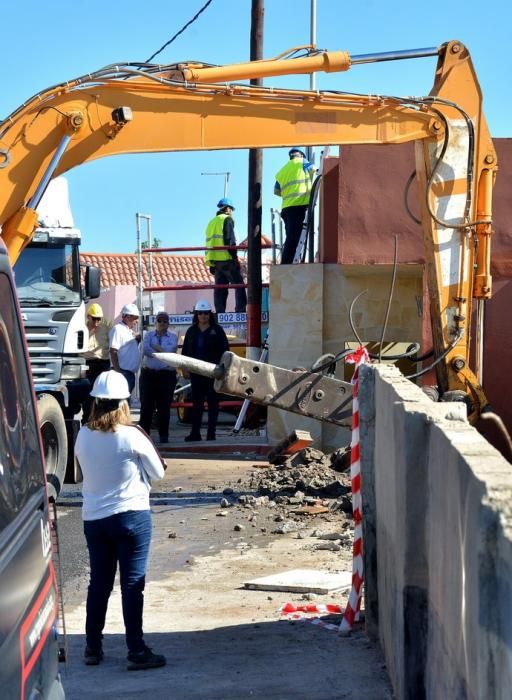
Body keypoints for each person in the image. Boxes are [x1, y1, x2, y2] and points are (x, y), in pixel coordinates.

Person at [75, 370, 166, 670]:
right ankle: (136, 650)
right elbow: (158, 473)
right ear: (123, 403)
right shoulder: (132, 436)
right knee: (131, 585)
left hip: (95, 519)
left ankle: (92, 647)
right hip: (131, 517)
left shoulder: (83, 435)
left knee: (98, 584)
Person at [181, 299, 229, 442]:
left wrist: (224, 371)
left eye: (206, 313)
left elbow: (226, 351)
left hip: (213, 373)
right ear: (196, 314)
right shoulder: (191, 331)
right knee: (197, 405)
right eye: (200, 313)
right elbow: (185, 352)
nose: (203, 315)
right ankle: (195, 433)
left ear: (210, 314)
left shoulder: (218, 330)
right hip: (196, 374)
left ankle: (211, 434)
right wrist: (185, 369)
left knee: (213, 405)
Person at [139, 311, 178, 444]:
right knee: (146, 407)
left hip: (166, 375)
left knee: (164, 407)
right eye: (159, 321)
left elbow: (171, 351)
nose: (162, 323)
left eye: (164, 321)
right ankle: (144, 435)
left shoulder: (173, 337)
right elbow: (146, 350)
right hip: (149, 374)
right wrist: (162, 351)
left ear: (168, 323)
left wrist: (155, 349)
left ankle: (163, 436)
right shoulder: (148, 335)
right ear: (155, 322)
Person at [274, 148, 317, 264]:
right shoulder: (303, 162)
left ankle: (288, 261)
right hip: (299, 205)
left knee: (290, 237)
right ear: (301, 155)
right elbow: (315, 170)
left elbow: (276, 191)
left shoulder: (282, 170)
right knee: (293, 239)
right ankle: (286, 264)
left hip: (286, 208)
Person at [205, 197, 247, 314]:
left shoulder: (211, 222)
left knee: (220, 288)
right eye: (231, 209)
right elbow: (229, 240)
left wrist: (211, 263)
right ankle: (240, 310)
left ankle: (220, 312)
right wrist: (234, 258)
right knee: (239, 285)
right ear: (228, 209)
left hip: (215, 262)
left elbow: (209, 243)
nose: (232, 212)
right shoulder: (227, 219)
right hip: (226, 259)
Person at [83, 302, 111, 423]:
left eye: (98, 319)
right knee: (88, 395)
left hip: (103, 363)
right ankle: (87, 420)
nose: (96, 322)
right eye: (94, 319)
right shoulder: (82, 328)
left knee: (103, 394)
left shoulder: (106, 327)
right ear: (88, 317)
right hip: (88, 364)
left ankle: (102, 420)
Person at [109, 303, 141, 395]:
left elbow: (127, 349)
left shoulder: (128, 331)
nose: (137, 321)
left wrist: (137, 340)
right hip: (122, 373)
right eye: (135, 318)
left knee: (124, 402)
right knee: (121, 401)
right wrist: (118, 371)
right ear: (127, 317)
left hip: (128, 373)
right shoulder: (118, 329)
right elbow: (113, 351)